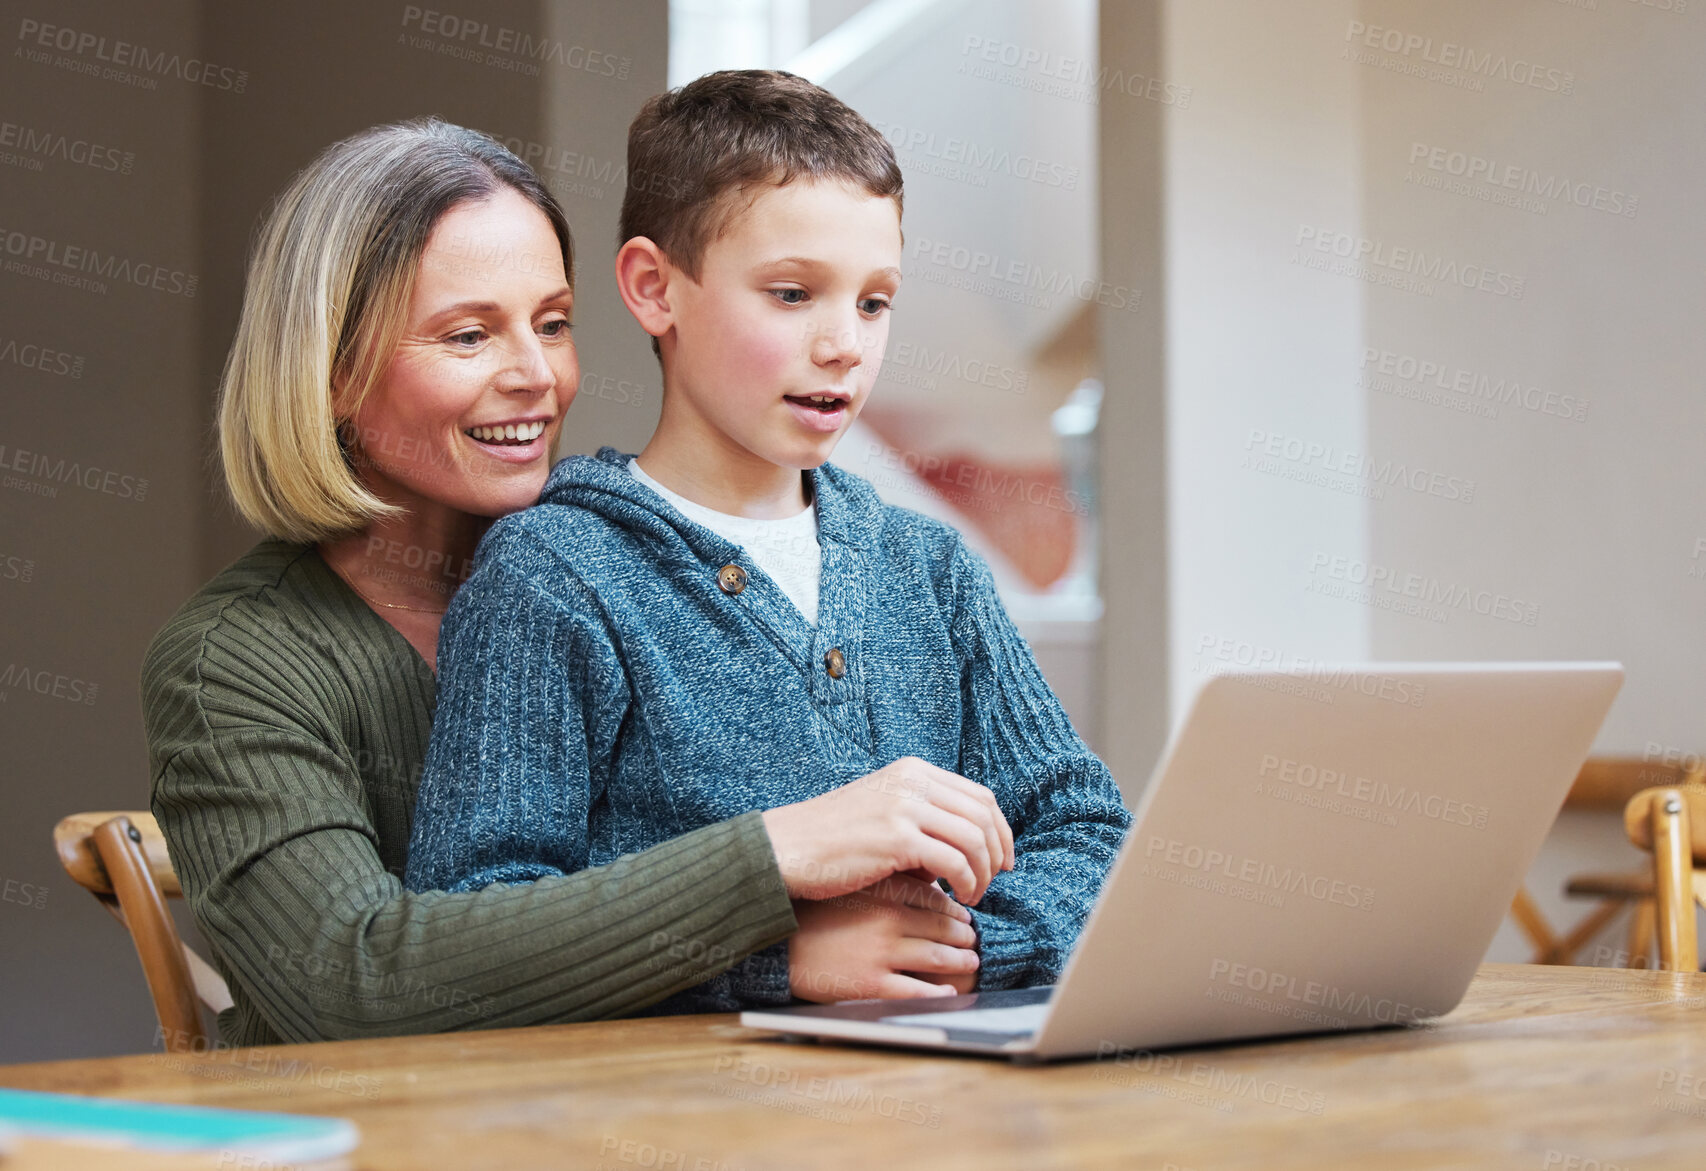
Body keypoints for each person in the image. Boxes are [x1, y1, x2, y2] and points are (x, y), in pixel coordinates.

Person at [143, 117, 1002, 1045]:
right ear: (337, 370)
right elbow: (350, 980)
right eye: (468, 335)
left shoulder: (619, 579)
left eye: (552, 324)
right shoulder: (231, 661)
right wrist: (775, 871)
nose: (536, 376)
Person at [404, 72, 1132, 1012]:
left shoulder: (930, 568)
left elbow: (1084, 829)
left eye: (875, 303)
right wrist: (776, 962)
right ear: (654, 288)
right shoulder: (554, 578)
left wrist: (957, 951)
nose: (844, 345)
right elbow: (476, 934)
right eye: (793, 294)